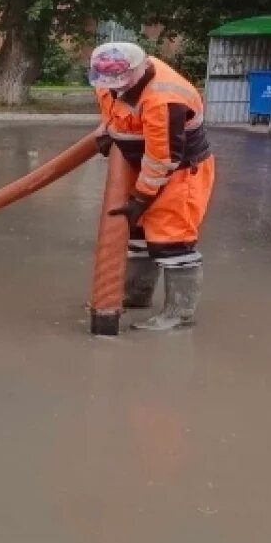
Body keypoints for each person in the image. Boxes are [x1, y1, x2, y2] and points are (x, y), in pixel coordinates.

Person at [89, 42, 215, 330]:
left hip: (181, 172)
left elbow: (163, 159)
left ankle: (180, 314)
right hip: (139, 164)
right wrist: (108, 133)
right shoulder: (107, 77)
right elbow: (114, 110)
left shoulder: (164, 98)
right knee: (136, 233)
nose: (113, 88)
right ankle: (136, 295)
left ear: (140, 69)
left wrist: (141, 198)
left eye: (120, 82)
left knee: (171, 241)